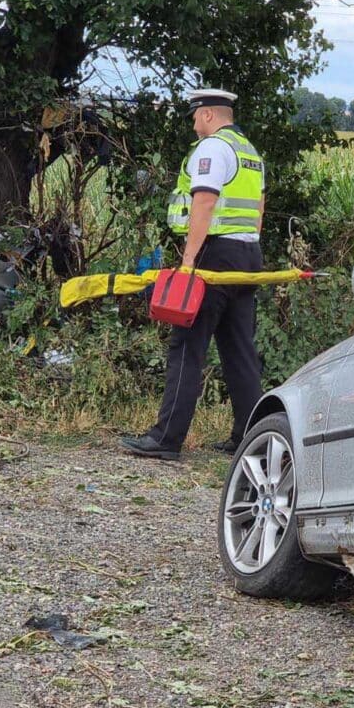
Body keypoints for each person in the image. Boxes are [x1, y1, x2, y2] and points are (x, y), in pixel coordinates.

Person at [121, 89, 266, 461]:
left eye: (194, 116)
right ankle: (249, 437)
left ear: (207, 115)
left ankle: (166, 438)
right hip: (247, 254)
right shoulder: (249, 152)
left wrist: (188, 262)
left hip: (213, 254)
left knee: (186, 344)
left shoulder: (214, 148)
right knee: (240, 350)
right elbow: (260, 208)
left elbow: (204, 201)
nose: (192, 122)